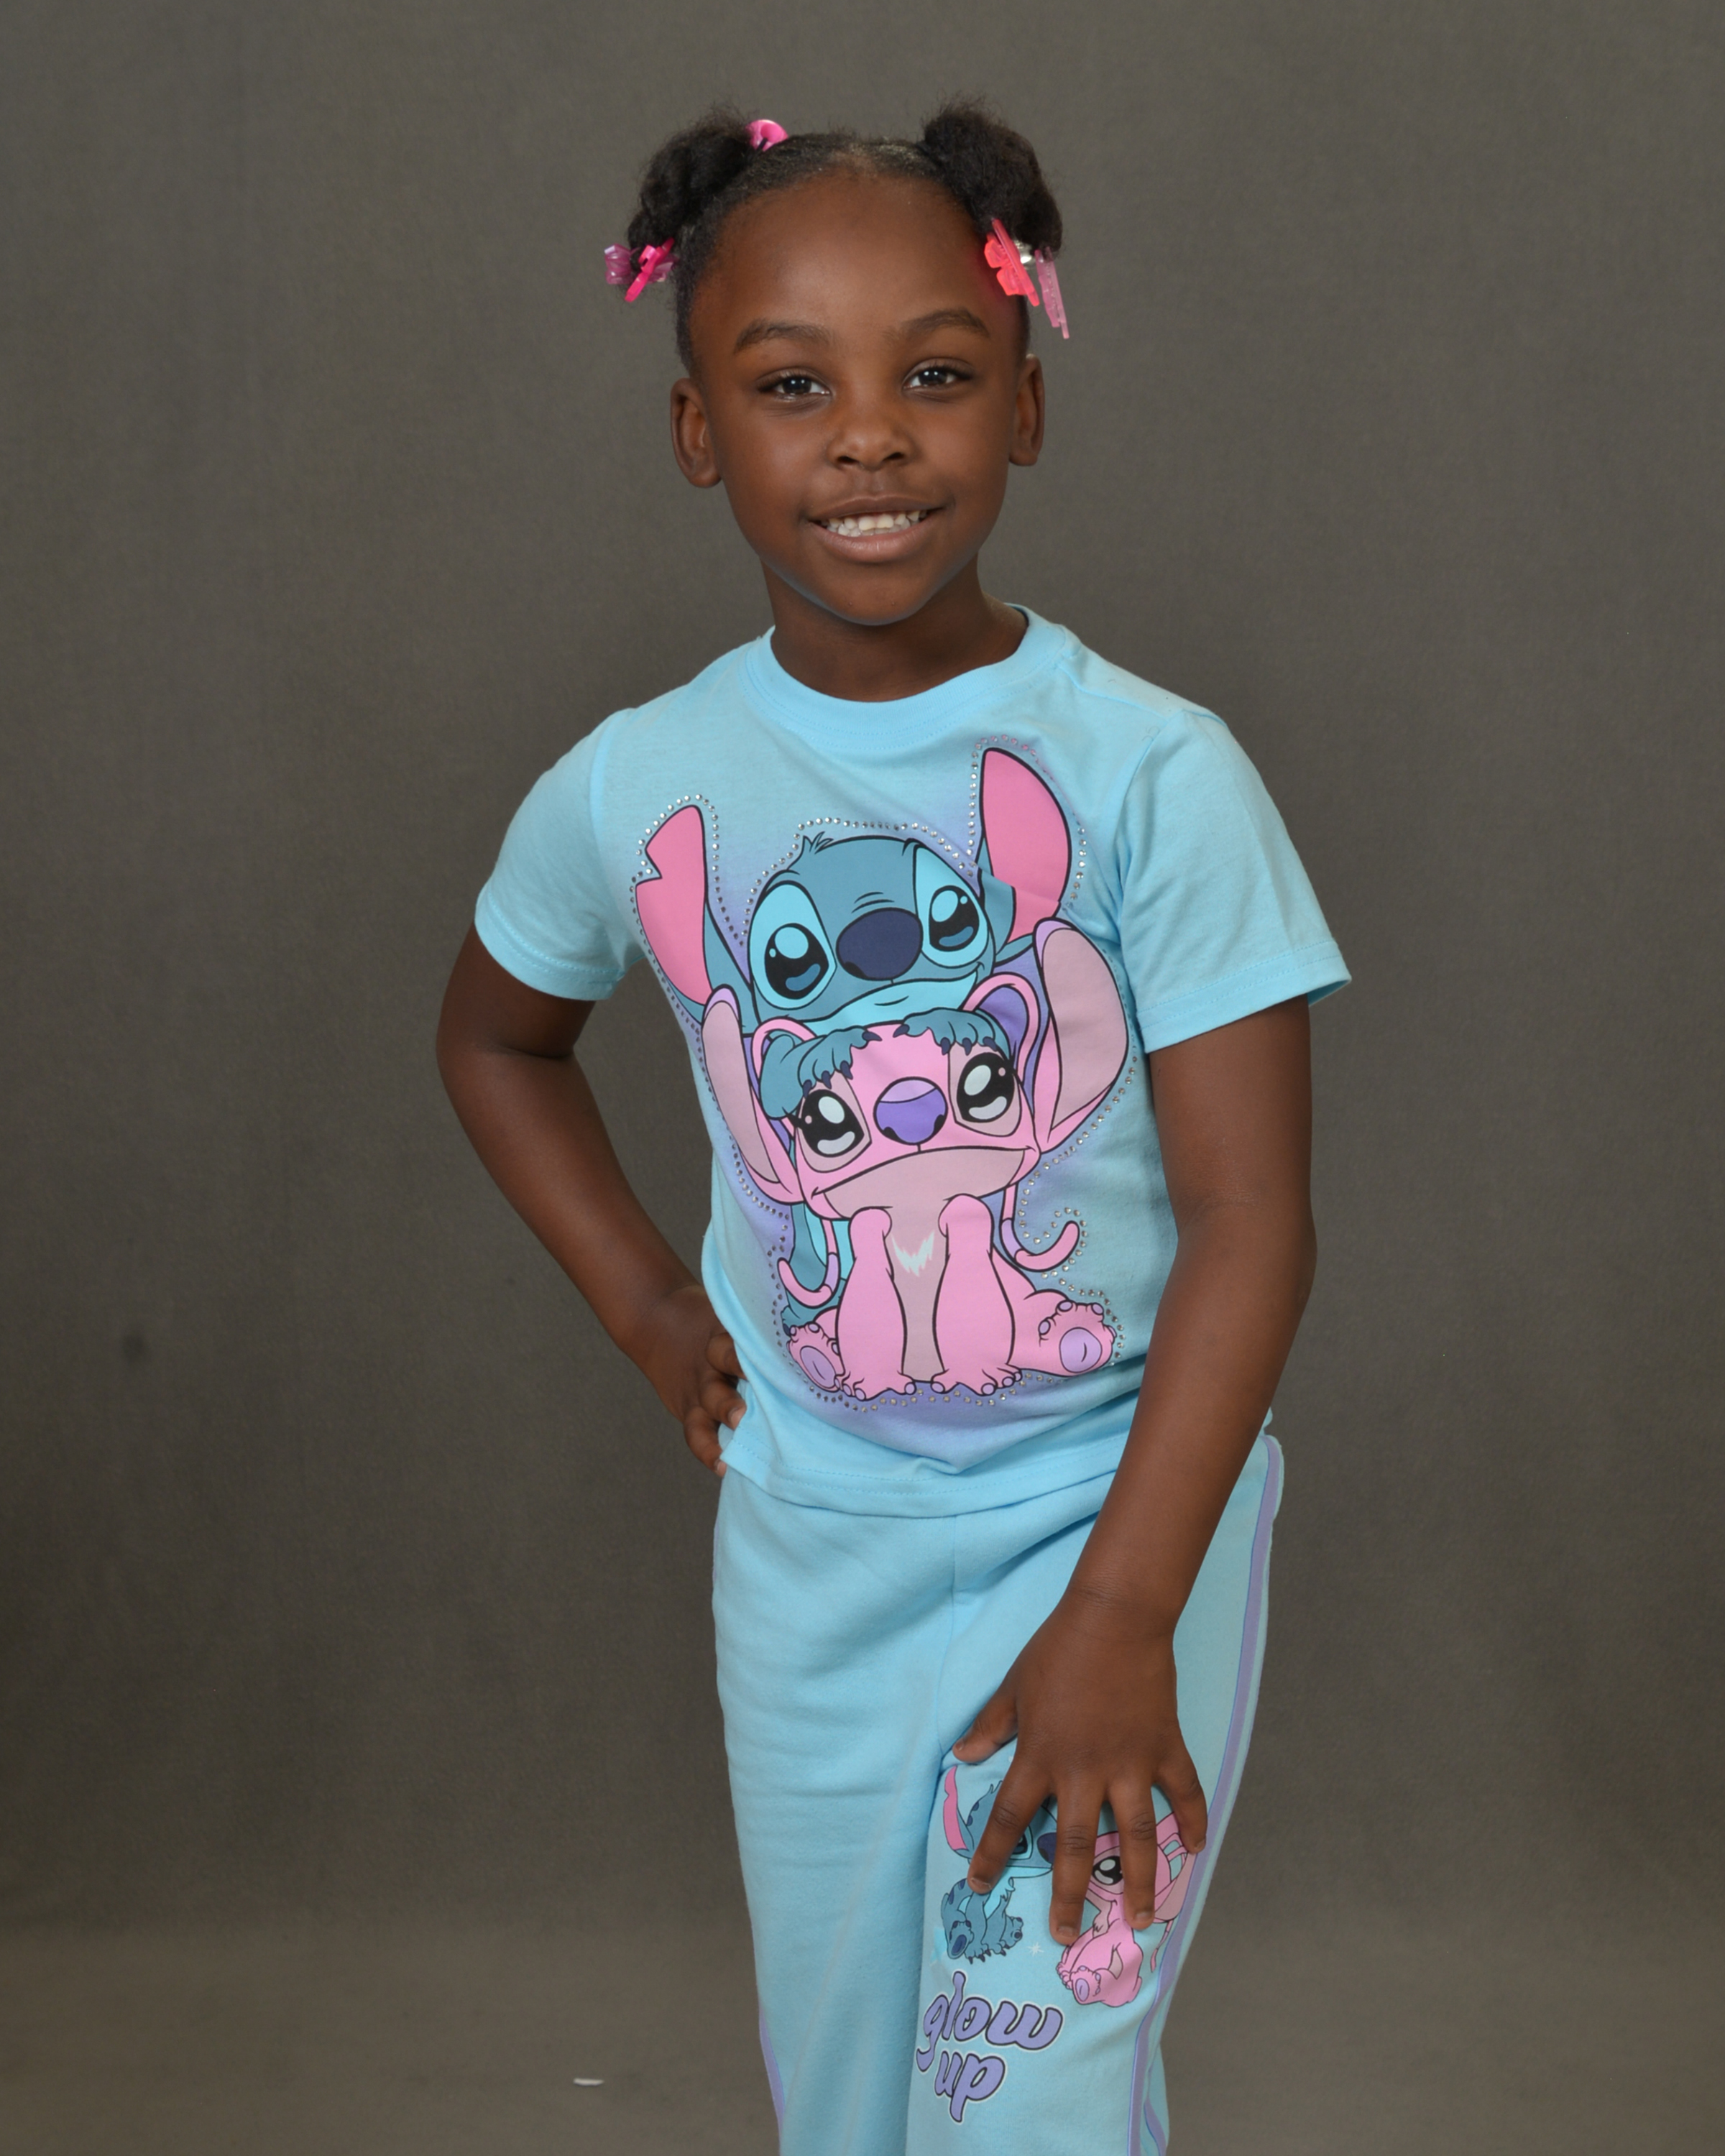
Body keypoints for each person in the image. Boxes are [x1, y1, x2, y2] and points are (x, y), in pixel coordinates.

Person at [436, 102, 1347, 2156]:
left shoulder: (1151, 777)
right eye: (792, 387)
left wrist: (1120, 1616)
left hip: (1109, 1526)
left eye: (935, 375)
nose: (868, 437)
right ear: (699, 432)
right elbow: (498, 1040)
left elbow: (1254, 1225)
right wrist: (653, 1311)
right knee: (850, 2101)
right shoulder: (640, 785)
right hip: (811, 1547)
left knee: (1026, 2095)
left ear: (1026, 401)